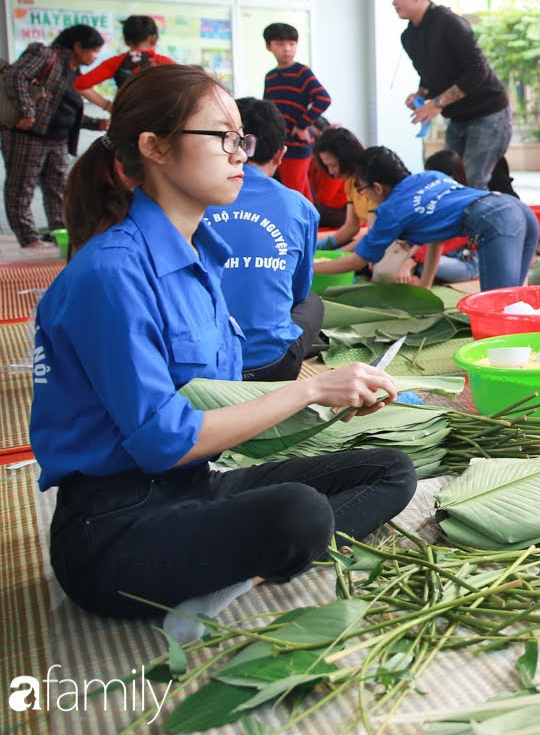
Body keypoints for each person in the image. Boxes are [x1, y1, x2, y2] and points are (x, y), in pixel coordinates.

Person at [39, 64, 414, 643]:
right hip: (114, 527)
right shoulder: (110, 272)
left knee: (389, 468)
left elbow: (222, 397)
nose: (241, 152)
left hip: (194, 486)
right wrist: (308, 389)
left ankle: (249, 559)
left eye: (242, 138)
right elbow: (164, 441)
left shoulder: (202, 251)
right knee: (301, 514)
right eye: (222, 137)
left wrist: (328, 402)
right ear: (154, 147)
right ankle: (256, 553)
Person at [201, 98, 323, 382]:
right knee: (312, 302)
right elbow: (297, 292)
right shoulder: (299, 206)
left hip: (202, 368)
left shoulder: (194, 199)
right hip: (274, 366)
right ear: (281, 154)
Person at [312, 147, 539, 291]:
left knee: (498, 305)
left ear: (377, 188)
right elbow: (436, 238)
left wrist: (310, 269)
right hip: (519, 210)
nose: (365, 195)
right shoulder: (429, 176)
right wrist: (425, 286)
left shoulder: (390, 211)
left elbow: (356, 261)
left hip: (494, 221)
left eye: (363, 189)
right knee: (513, 300)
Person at [385, 0, 512, 189]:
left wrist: (438, 103)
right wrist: (420, 95)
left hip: (489, 115)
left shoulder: (450, 23)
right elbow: (429, 77)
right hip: (459, 118)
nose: (393, 1)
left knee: (472, 182)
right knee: (448, 181)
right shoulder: (409, 37)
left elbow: (478, 71)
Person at [2, 25, 108, 249]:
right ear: (77, 46)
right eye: (93, 50)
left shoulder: (74, 73)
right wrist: (27, 111)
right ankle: (29, 238)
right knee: (21, 189)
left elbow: (64, 109)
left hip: (58, 141)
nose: (95, 57)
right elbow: (15, 75)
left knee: (58, 191)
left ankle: (61, 236)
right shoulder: (45, 55)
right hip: (28, 138)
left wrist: (97, 123)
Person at [261, 23, 331, 202]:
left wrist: (302, 125)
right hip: (279, 143)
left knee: (294, 195)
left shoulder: (302, 72)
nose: (287, 49)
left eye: (292, 44)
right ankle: (311, 229)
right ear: (269, 46)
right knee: (302, 192)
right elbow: (268, 110)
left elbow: (323, 99)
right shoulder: (270, 76)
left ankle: (299, 229)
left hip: (297, 144)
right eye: (280, 44)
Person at [74, 14, 173, 111]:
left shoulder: (116, 62)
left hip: (123, 119)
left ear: (126, 40)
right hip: (156, 121)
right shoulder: (165, 63)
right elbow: (185, 87)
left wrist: (107, 105)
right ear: (153, 38)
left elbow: (80, 84)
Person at [419, 150, 480, 284]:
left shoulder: (465, 202)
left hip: (468, 263)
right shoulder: (436, 201)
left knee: (425, 265)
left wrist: (413, 259)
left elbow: (439, 243)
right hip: (445, 256)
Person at [312, 126, 377, 250]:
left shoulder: (371, 182)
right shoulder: (351, 182)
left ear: (346, 157)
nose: (331, 172)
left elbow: (374, 235)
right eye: (327, 166)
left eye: (334, 165)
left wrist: (337, 254)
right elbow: (351, 226)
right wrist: (321, 247)